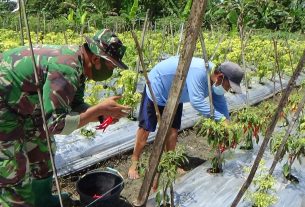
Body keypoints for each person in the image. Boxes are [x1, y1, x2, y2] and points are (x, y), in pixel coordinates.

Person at [0, 29, 131, 207]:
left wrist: (101, 114)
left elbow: (74, 105)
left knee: (42, 146)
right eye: (112, 66)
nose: (113, 71)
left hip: (22, 103)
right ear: (96, 59)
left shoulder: (78, 63)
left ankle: (42, 200)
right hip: (5, 106)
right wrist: (98, 109)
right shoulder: (66, 68)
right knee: (13, 167)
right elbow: (54, 124)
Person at [128, 56, 244, 180]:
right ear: (220, 77)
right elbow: (197, 101)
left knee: (172, 130)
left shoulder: (215, 82)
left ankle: (171, 163)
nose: (229, 89)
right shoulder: (199, 72)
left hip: (176, 93)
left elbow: (220, 105)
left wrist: (227, 124)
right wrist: (221, 120)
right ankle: (134, 162)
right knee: (146, 129)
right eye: (229, 86)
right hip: (158, 86)